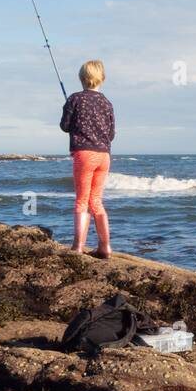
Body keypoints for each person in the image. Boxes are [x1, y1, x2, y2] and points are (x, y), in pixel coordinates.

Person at [60, 60, 115, 258]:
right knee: (97, 201)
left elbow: (65, 126)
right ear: (103, 79)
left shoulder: (74, 99)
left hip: (84, 154)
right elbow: (111, 134)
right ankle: (105, 246)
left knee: (82, 201)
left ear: (81, 78)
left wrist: (69, 110)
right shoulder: (107, 103)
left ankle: (77, 246)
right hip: (104, 155)